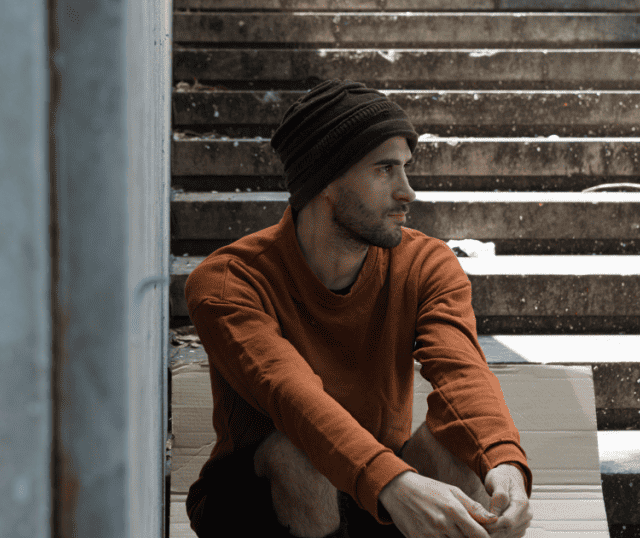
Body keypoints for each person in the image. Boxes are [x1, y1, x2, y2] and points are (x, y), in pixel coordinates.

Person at [183, 79, 533, 538]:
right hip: (260, 502)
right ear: (326, 180)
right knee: (297, 455)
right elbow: (295, 399)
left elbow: (462, 372)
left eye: (406, 168)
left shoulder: (426, 263)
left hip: (381, 487)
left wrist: (503, 460)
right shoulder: (230, 282)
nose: (408, 192)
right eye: (385, 169)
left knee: (461, 446)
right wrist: (394, 480)